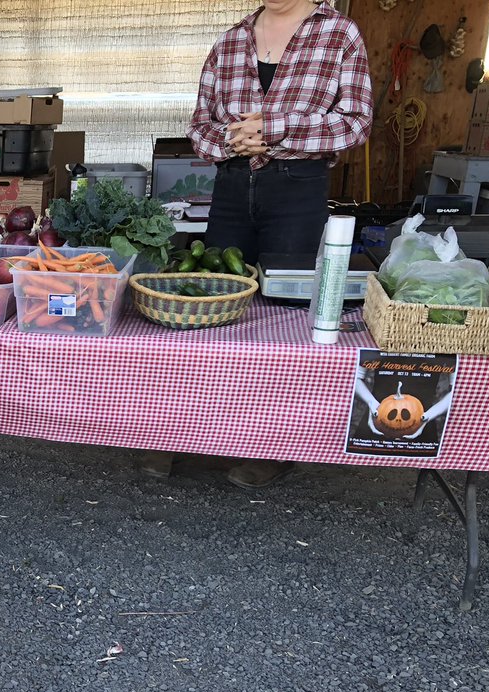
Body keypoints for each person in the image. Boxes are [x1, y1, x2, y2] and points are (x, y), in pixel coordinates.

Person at [141, 0, 374, 488]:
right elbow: (199, 125)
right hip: (229, 186)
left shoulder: (338, 34)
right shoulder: (230, 39)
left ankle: (274, 444)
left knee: (285, 316)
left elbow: (355, 123)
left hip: (297, 186)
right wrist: (232, 140)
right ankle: (183, 433)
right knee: (208, 305)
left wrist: (276, 129)